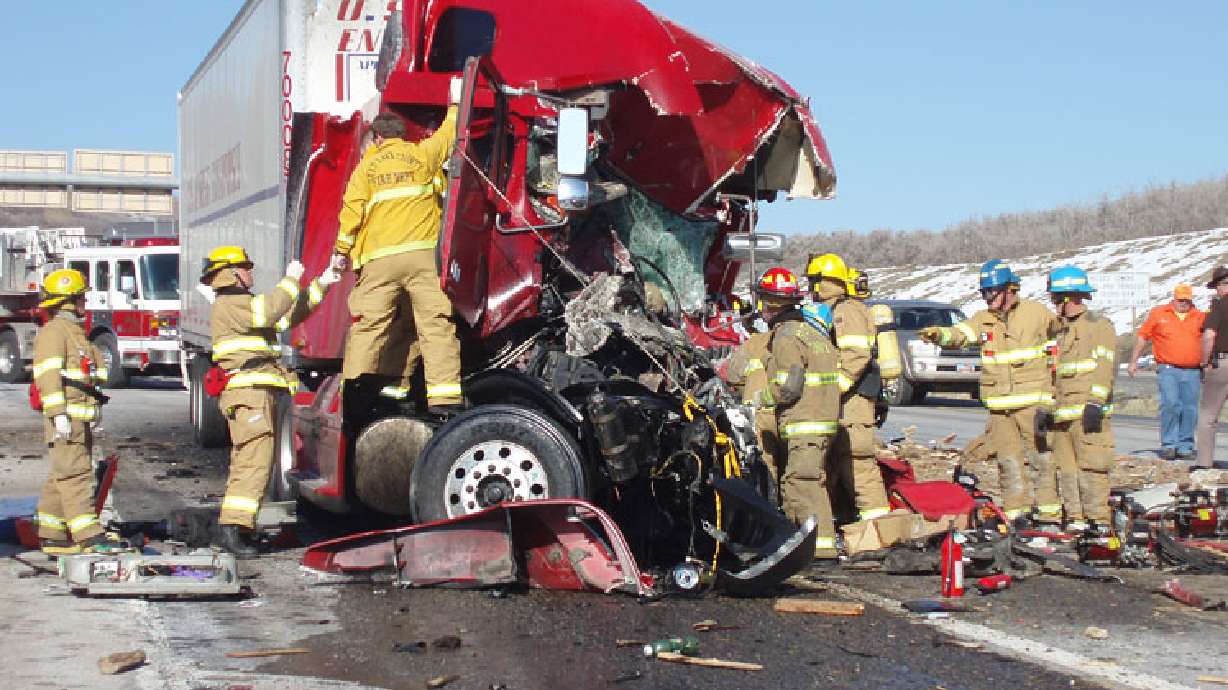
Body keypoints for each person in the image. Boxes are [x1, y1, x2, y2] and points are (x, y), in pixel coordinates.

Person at [332, 78, 464, 418]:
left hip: (379, 260)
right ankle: (444, 398)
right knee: (434, 323)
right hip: (422, 256)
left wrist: (340, 253)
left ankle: (355, 395)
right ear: (401, 135)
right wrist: (454, 104)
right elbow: (449, 136)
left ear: (377, 138)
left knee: (371, 326)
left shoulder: (366, 169)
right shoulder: (421, 155)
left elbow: (351, 212)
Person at [202, 246, 339, 555]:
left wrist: (324, 281)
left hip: (256, 394)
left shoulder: (243, 305)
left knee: (255, 462)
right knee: (253, 461)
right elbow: (272, 310)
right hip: (248, 395)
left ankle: (242, 527)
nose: (251, 273)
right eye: (245, 268)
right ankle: (234, 530)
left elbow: (289, 314)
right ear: (231, 273)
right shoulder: (231, 303)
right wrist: (290, 280)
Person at [919, 259, 1061, 525]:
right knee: (1008, 463)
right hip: (999, 408)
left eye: (991, 292)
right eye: (983, 293)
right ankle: (1016, 514)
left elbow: (1060, 345)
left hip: (1032, 404)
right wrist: (939, 334)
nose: (987, 298)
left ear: (1009, 289)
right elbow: (960, 334)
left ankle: (1049, 514)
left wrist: (1053, 396)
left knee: (1042, 460)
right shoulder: (983, 320)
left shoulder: (1037, 314)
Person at [31, 269, 115, 556]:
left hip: (80, 419)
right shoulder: (54, 332)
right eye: (81, 297)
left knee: (62, 474)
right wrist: (58, 414)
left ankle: (52, 535)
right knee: (77, 476)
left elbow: (86, 377)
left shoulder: (74, 333)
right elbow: (48, 375)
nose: (85, 303)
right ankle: (89, 536)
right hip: (67, 419)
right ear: (69, 301)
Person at [762, 268, 842, 559]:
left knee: (802, 484)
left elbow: (789, 387)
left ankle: (819, 552)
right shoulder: (814, 334)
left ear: (768, 305)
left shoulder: (786, 338)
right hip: (824, 422)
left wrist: (760, 399)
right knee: (808, 481)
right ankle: (807, 546)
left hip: (805, 424)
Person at [805, 253, 891, 522]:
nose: (810, 288)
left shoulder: (847, 311)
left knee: (858, 463)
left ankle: (879, 531)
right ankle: (840, 523)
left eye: (813, 281)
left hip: (853, 402)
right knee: (831, 463)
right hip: (839, 402)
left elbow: (855, 356)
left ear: (823, 282)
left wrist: (832, 389)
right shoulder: (830, 311)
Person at [1047, 266, 1116, 533]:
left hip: (1088, 414)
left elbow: (1105, 366)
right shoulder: (1060, 331)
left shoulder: (1098, 325)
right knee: (1066, 470)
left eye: (1055, 298)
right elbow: (1054, 373)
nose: (1054, 304)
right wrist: (1048, 407)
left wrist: (1096, 403)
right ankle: (1076, 519)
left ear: (1069, 297)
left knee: (1092, 469)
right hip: (1063, 415)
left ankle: (1098, 521)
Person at [724, 270, 792, 492]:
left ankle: (772, 515)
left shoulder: (756, 343)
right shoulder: (806, 339)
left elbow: (733, 375)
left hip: (761, 414)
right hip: (797, 418)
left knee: (766, 469)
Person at [1130, 285, 1204, 460]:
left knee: (1190, 409)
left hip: (1193, 370)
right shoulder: (1159, 313)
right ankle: (1169, 444)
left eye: (1187, 300)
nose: (1184, 304)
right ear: (1174, 299)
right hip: (1168, 368)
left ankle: (1185, 446)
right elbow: (1143, 337)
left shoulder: (1200, 316)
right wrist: (1133, 361)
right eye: (1181, 300)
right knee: (1170, 404)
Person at [1196, 267, 1228, 470]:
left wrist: (1204, 362)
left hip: (1223, 363)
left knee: (1208, 416)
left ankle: (1204, 465)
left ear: (1221, 286)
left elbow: (1209, 336)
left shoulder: (1220, 306)